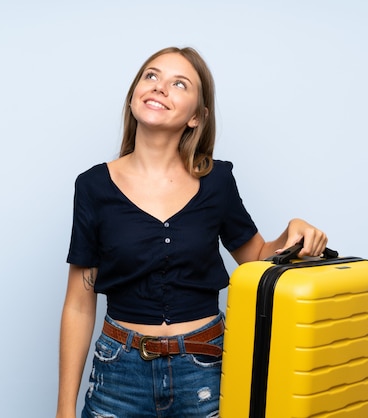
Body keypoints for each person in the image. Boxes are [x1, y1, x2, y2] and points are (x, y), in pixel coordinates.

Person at [56, 46, 328, 418]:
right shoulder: (93, 186)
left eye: (178, 83)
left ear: (197, 117)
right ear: (135, 93)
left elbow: (257, 259)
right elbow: (78, 303)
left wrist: (291, 234)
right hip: (118, 372)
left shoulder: (217, 181)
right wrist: (64, 408)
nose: (159, 87)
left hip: (205, 370)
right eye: (151, 76)